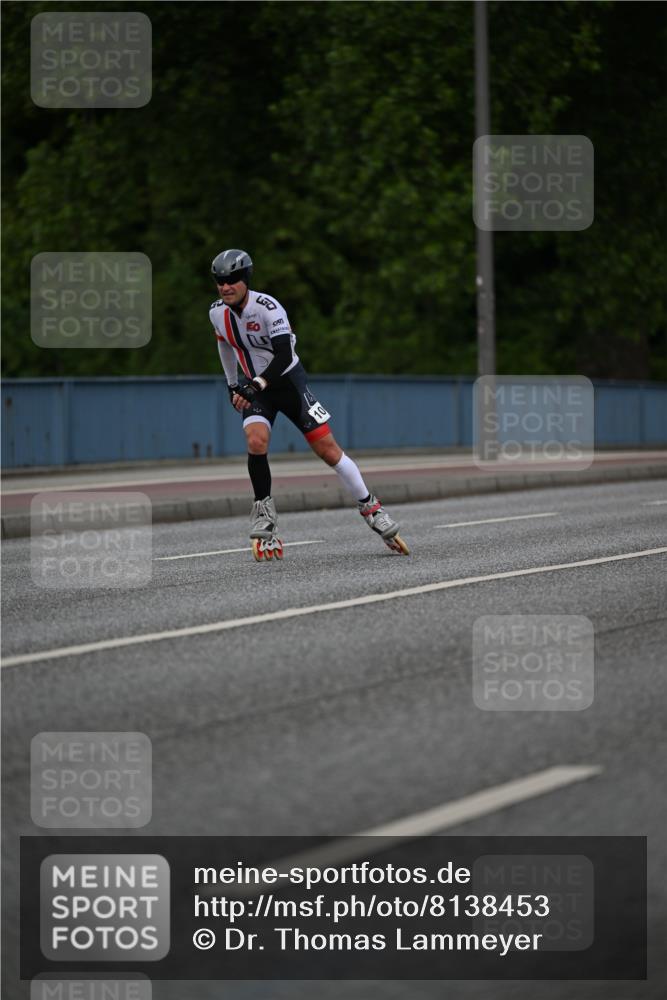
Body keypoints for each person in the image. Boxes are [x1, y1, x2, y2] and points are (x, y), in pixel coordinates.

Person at [209, 249, 409, 560]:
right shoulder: (216, 313)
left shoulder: (268, 307)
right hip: (255, 390)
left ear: (245, 279)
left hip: (287, 383)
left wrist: (254, 384)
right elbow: (223, 343)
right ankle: (264, 514)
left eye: (232, 280)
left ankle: (370, 507)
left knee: (327, 449)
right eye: (220, 281)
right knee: (256, 440)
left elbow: (284, 356)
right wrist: (233, 384)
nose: (225, 286)